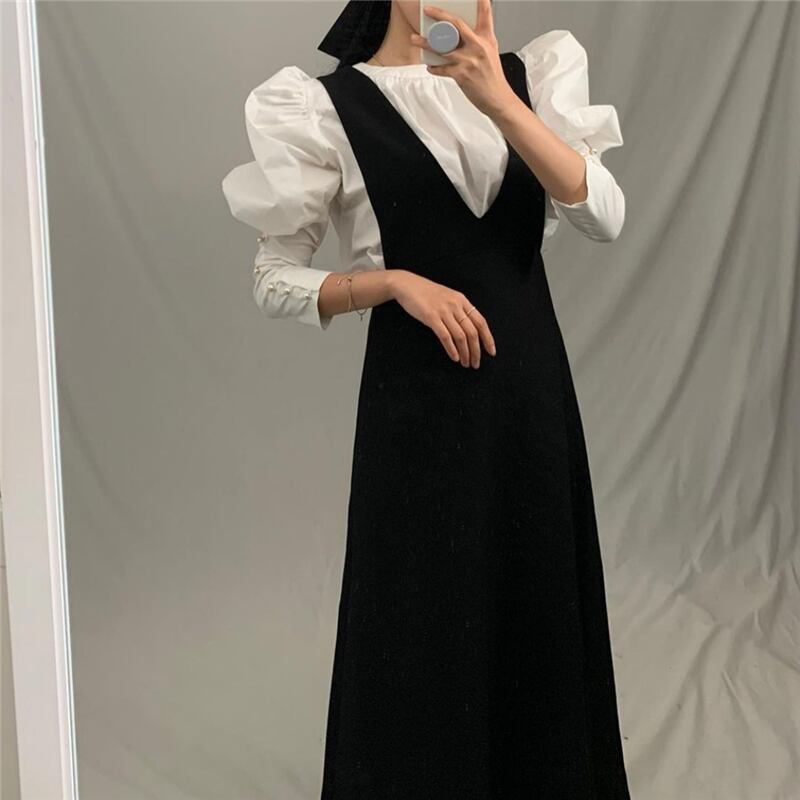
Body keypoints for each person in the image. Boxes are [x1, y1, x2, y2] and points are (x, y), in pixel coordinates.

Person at [222, 1, 631, 797]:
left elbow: (604, 218)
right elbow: (272, 279)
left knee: (539, 615)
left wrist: (499, 101)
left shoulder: (530, 77)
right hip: (416, 414)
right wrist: (391, 284)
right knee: (419, 629)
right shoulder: (324, 108)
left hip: (530, 405)